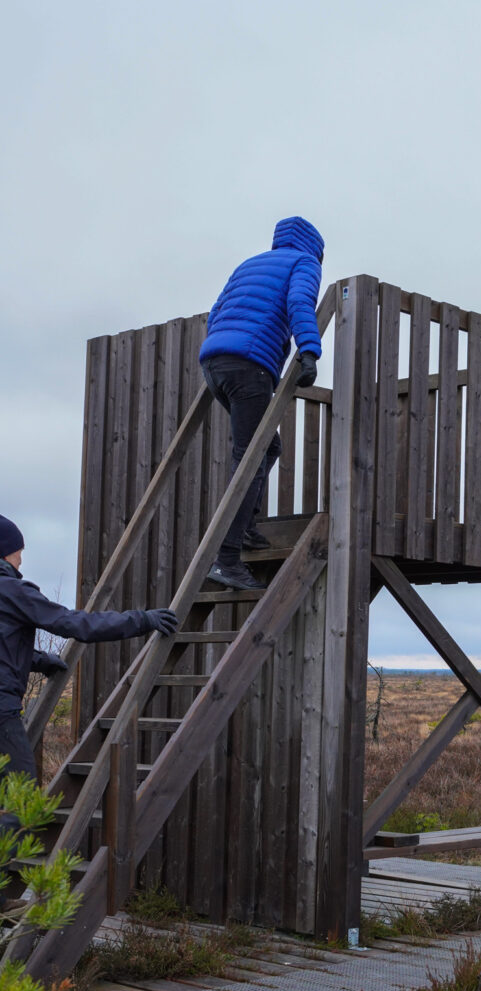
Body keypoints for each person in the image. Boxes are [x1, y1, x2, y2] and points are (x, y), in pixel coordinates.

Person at [0, 514, 178, 830]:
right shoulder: (13, 591)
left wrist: (39, 660)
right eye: (18, 550)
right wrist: (142, 619)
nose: (21, 558)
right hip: (2, 715)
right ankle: (10, 875)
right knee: (21, 802)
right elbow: (77, 624)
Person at [199, 215, 324, 591]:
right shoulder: (304, 264)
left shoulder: (249, 264)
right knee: (249, 457)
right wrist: (309, 351)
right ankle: (227, 559)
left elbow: (216, 311)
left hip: (214, 362)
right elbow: (299, 300)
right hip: (250, 364)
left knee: (267, 446)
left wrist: (222, 348)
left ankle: (247, 527)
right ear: (315, 248)